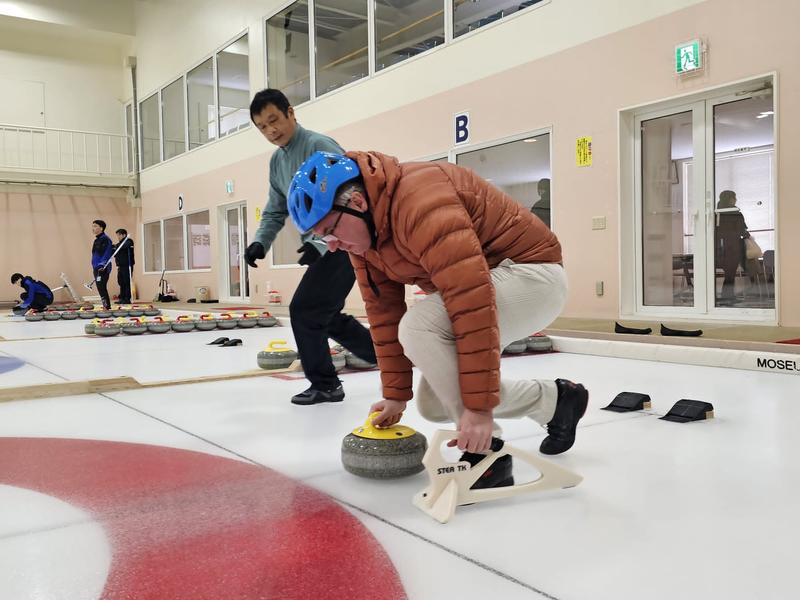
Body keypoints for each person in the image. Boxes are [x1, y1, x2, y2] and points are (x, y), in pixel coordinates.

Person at [287, 151, 588, 489]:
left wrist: (477, 411)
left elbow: (469, 298)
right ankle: (556, 401)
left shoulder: (421, 200)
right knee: (433, 404)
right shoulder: (364, 243)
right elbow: (383, 315)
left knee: (419, 327)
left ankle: (489, 456)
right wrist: (396, 395)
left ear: (356, 203)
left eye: (331, 230)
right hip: (488, 284)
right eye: (322, 238)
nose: (332, 246)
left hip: (532, 276)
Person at [243, 89, 377, 406]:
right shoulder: (277, 161)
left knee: (303, 310)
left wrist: (319, 243)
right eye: (262, 127)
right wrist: (260, 241)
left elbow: (350, 200)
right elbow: (276, 208)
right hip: (322, 244)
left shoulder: (320, 146)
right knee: (324, 315)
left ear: (291, 112)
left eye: (274, 120)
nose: (271, 130)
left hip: (343, 242)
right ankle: (381, 352)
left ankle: (326, 385)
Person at [714, 190, 754, 305]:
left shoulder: (717, 212)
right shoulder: (735, 212)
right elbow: (742, 230)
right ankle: (727, 297)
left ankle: (726, 297)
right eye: (734, 197)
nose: (736, 199)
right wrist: (749, 238)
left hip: (719, 247)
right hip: (733, 247)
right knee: (730, 273)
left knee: (729, 273)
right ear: (729, 198)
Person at [91, 219, 114, 310]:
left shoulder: (106, 239)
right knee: (100, 287)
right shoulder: (96, 240)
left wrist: (102, 265)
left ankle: (106, 306)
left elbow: (107, 253)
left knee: (101, 287)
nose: (93, 228)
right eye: (92, 226)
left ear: (101, 228)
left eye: (95, 226)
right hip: (96, 267)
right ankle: (106, 305)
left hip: (103, 268)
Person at [114, 228, 135, 304]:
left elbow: (124, 246)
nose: (118, 237)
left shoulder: (129, 241)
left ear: (124, 235)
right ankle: (122, 298)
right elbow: (115, 249)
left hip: (127, 265)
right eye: (117, 235)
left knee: (126, 281)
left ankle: (127, 298)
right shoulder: (119, 245)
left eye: (119, 235)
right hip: (120, 266)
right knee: (121, 282)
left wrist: (116, 246)